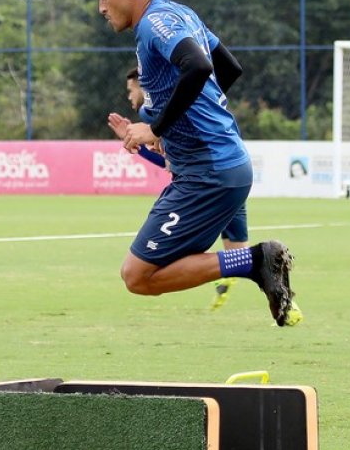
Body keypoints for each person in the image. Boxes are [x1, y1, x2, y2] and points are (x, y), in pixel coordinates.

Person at [94, 0, 301, 326]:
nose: (101, 8)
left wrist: (157, 128)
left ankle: (256, 260)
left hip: (209, 171)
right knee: (143, 274)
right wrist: (178, 128)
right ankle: (254, 261)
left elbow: (201, 66)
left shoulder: (154, 22)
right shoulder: (181, 13)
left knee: (137, 276)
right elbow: (229, 68)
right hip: (219, 165)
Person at [107, 66, 250, 310]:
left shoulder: (167, 114)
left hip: (210, 182)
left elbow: (171, 162)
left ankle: (254, 264)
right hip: (228, 177)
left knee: (143, 271)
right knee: (237, 250)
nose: (130, 97)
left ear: (145, 86)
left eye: (131, 91)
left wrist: (148, 137)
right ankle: (267, 286)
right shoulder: (169, 116)